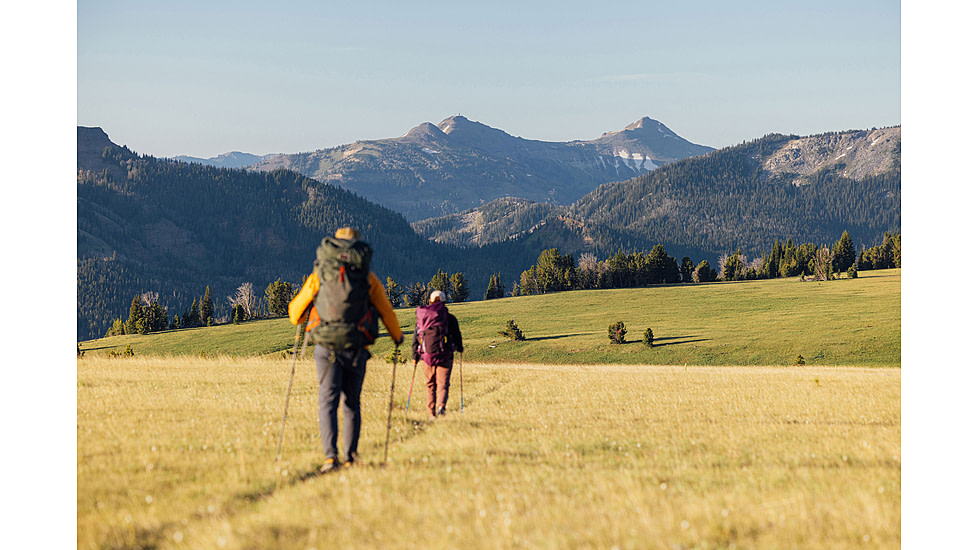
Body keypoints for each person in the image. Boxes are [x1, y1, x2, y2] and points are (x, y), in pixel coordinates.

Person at [288, 227, 403, 473]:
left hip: (326, 347)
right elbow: (386, 311)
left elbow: (295, 313)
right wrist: (397, 336)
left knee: (328, 402)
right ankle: (350, 457)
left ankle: (330, 457)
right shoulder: (367, 278)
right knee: (352, 403)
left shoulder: (319, 274)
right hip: (355, 347)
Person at [412, 290, 464, 417]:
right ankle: (441, 407)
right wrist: (460, 348)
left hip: (427, 356)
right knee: (443, 384)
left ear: (430, 301)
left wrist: (415, 356)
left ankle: (431, 413)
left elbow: (416, 338)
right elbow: (457, 336)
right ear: (444, 302)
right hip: (445, 356)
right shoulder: (450, 318)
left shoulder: (422, 319)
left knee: (430, 385)